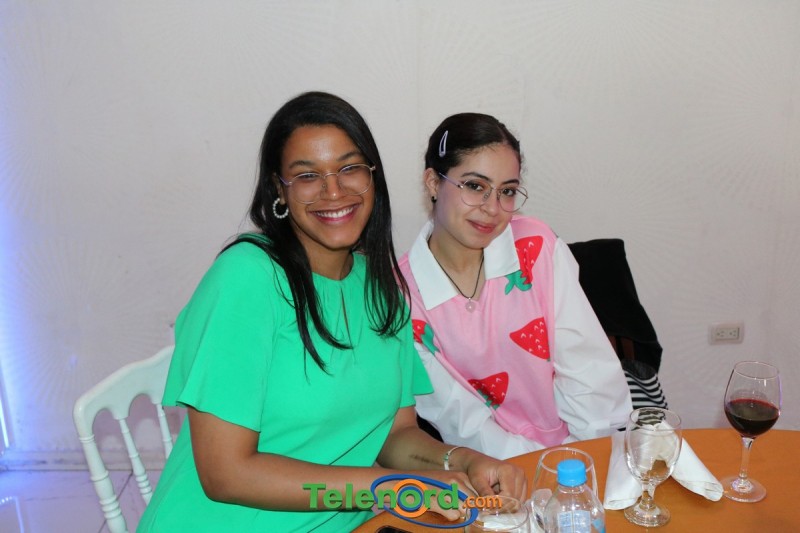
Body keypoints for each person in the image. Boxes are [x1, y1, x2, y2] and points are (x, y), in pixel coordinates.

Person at [138, 93, 526, 532]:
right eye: (307, 175)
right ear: (279, 189)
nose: (334, 191)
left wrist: (464, 460)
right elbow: (226, 475)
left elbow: (394, 435)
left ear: (372, 176)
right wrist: (385, 488)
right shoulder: (245, 279)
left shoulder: (381, 287)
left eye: (349, 168)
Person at [398, 112, 633, 460]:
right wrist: (538, 468)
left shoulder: (536, 247)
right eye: (475, 186)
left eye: (506, 191)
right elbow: (462, 422)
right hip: (495, 465)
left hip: (584, 446)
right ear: (433, 183)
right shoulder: (402, 299)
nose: (492, 209)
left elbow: (589, 374)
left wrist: (585, 460)